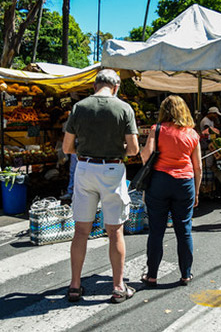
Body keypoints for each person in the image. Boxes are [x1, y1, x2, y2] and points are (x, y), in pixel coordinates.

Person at [62, 69, 139, 304]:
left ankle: (75, 285)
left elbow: (67, 147)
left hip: (85, 169)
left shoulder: (80, 107)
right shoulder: (124, 108)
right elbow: (134, 149)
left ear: (95, 86)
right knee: (115, 230)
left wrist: (85, 153)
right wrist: (116, 153)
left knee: (81, 230)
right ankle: (117, 287)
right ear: (115, 87)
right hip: (112, 170)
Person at [140, 95, 201, 287]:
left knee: (156, 231)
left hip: (159, 181)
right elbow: (197, 166)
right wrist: (197, 192)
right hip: (185, 183)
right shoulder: (192, 134)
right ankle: (186, 274)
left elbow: (145, 156)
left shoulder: (157, 130)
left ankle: (152, 275)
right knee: (184, 230)